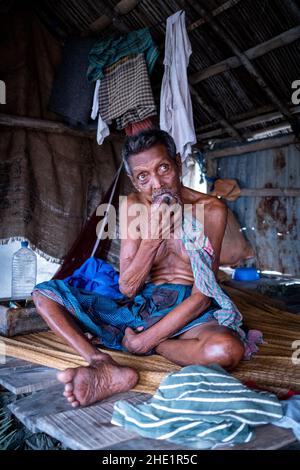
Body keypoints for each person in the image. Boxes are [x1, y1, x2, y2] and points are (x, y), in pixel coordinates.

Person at [32, 129, 245, 408]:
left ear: (178, 163)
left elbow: (202, 294)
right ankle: (101, 363)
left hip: (188, 314)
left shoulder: (211, 210)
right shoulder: (133, 206)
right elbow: (128, 287)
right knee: (44, 295)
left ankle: (155, 346)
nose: (157, 184)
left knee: (227, 350)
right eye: (143, 176)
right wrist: (153, 239)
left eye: (164, 168)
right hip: (141, 307)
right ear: (134, 181)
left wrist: (145, 342)